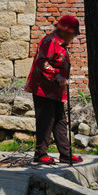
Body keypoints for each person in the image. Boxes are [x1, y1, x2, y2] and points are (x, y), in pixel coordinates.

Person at [25, 15, 84, 164]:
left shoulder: (62, 44)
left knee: (60, 121)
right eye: (72, 33)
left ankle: (65, 154)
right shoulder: (50, 40)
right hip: (43, 89)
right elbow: (41, 61)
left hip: (56, 91)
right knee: (46, 120)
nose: (74, 37)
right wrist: (57, 76)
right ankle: (40, 154)